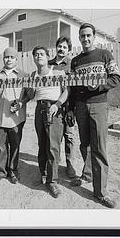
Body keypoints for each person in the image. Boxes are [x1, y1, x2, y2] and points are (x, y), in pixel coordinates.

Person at [67, 23, 120, 208]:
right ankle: (88, 174)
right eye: (82, 36)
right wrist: (71, 108)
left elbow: (115, 77)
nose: (86, 39)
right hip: (81, 107)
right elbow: (72, 88)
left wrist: (98, 86)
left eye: (88, 35)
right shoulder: (75, 61)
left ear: (94, 36)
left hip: (99, 106)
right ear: (79, 38)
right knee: (85, 145)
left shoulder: (105, 55)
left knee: (99, 148)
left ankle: (100, 192)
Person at [30, 46, 69, 198]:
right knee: (42, 144)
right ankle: (43, 173)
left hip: (54, 109)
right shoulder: (33, 75)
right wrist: (30, 88)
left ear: (47, 57)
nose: (39, 56)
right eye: (36, 54)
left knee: (53, 146)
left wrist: (57, 105)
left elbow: (66, 91)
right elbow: (31, 95)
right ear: (33, 58)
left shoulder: (57, 71)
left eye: (41, 54)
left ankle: (53, 181)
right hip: (39, 110)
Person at [0, 47, 30, 185]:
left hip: (16, 118)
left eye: (12, 57)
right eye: (6, 57)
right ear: (3, 59)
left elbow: (29, 95)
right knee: (1, 146)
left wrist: (21, 103)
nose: (9, 60)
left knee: (15, 145)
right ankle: (1, 172)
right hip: (0, 116)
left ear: (16, 59)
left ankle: (13, 171)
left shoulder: (23, 75)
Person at [48, 36, 77, 179]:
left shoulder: (72, 64)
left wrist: (72, 108)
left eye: (65, 47)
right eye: (60, 46)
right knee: (55, 137)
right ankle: (54, 164)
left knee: (69, 135)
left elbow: (73, 87)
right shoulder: (49, 64)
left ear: (68, 50)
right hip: (53, 106)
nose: (61, 49)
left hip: (69, 105)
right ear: (56, 47)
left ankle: (70, 164)